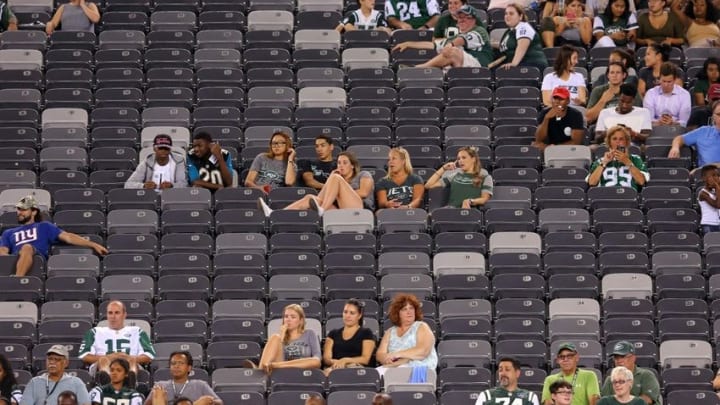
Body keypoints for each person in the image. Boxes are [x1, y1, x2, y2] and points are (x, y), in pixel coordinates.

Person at [0, 195, 108, 277]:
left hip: (36, 259)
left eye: (23, 210)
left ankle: (18, 279)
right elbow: (3, 250)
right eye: (18, 209)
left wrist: (93, 244)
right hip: (15, 260)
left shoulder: (44, 226)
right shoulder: (8, 232)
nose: (19, 212)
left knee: (26, 247)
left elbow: (68, 237)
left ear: (33, 212)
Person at [257, 151, 374, 216]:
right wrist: (331, 181)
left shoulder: (363, 174)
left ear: (352, 165)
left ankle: (322, 209)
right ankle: (274, 214)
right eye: (339, 163)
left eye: (345, 163)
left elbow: (363, 193)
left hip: (360, 209)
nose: (341, 166)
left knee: (336, 178)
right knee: (309, 198)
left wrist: (339, 186)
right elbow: (322, 196)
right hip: (339, 210)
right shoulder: (336, 178)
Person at [79, 301, 156, 385]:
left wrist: (126, 358)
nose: (113, 316)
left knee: (131, 360)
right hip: (102, 364)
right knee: (103, 360)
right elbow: (84, 355)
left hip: (129, 363)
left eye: (117, 313)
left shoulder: (137, 331)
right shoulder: (94, 332)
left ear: (124, 314)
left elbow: (148, 355)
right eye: (110, 313)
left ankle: (131, 382)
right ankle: (107, 384)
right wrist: (110, 357)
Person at [394, 5, 493, 68]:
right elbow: (434, 45)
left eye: (466, 18)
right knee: (447, 56)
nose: (461, 20)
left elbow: (462, 40)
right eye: (460, 18)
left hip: (480, 66)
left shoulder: (480, 31)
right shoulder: (457, 36)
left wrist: (450, 45)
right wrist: (408, 44)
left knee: (453, 51)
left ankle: (417, 69)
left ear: (473, 20)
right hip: (462, 65)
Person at [245, 304, 322, 374]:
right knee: (275, 337)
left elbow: (317, 361)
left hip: (303, 371)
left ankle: (258, 372)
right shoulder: (278, 338)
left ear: (301, 321)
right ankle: (260, 373)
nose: (288, 319)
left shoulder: (310, 334)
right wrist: (281, 335)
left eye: (293, 317)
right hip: (282, 372)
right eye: (286, 316)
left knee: (315, 361)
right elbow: (275, 357)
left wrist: (277, 365)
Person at [375, 294, 438, 375]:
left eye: (411, 308)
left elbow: (423, 351)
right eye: (404, 309)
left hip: (419, 368)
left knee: (398, 372)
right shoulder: (390, 332)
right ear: (397, 313)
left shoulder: (421, 326)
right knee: (374, 374)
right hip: (394, 367)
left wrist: (396, 355)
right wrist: (386, 359)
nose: (409, 312)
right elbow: (380, 355)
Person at [424, 146, 493, 209]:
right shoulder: (455, 175)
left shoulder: (485, 177)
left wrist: (470, 201)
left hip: (471, 212)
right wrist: (443, 168)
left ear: (473, 159)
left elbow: (484, 199)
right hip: (451, 210)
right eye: (458, 158)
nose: (460, 161)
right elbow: (428, 186)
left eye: (464, 157)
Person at [20, 345, 91, 405]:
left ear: (66, 363)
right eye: (49, 359)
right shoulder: (34, 383)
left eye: (57, 359)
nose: (52, 362)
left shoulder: (76, 383)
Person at [145, 351, 221, 405]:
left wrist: (209, 400)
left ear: (189, 368)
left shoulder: (200, 385)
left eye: (181, 363)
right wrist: (155, 397)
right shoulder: (161, 385)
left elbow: (219, 402)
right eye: (173, 363)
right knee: (158, 392)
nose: (176, 366)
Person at [323, 299, 376, 375]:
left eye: (352, 313)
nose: (348, 316)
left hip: (357, 368)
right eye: (345, 312)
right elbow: (327, 359)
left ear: (359, 315)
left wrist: (346, 360)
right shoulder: (333, 334)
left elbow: (365, 359)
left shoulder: (366, 333)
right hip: (335, 368)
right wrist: (339, 363)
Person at [587, 126, 649, 191]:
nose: (618, 142)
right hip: (606, 197)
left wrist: (628, 162)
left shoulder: (636, 159)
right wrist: (603, 163)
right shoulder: (600, 161)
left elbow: (641, 181)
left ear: (627, 142)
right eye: (614, 139)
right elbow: (592, 183)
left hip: (629, 198)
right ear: (609, 142)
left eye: (621, 139)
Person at [669, 100, 720, 168]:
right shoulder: (703, 131)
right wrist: (675, 147)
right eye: (719, 114)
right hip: (704, 176)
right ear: (713, 116)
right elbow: (679, 139)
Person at [498, 4, 549, 71]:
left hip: (532, 66)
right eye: (506, 13)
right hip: (522, 65)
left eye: (511, 13)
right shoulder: (510, 31)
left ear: (520, 16)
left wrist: (514, 63)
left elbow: (522, 45)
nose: (507, 16)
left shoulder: (523, 27)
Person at [475, 357, 541, 405]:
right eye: (500, 370)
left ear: (517, 373)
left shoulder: (529, 397)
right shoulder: (486, 396)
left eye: (507, 369)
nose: (503, 373)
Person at [643, 62, 691, 127]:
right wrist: (658, 122)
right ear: (659, 79)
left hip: (677, 130)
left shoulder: (684, 95)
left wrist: (673, 123)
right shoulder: (651, 93)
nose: (666, 85)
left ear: (674, 80)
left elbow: (684, 122)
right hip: (655, 130)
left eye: (669, 82)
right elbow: (648, 120)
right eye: (664, 81)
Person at [698, 165, 720, 234]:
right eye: (713, 176)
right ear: (704, 178)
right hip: (709, 225)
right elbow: (718, 205)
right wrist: (717, 187)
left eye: (717, 175)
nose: (716, 178)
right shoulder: (703, 193)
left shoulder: (716, 192)